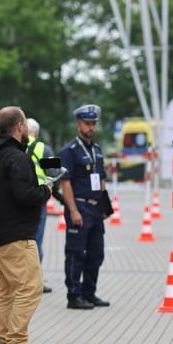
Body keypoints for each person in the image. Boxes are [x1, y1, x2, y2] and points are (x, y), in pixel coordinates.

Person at [0, 106, 53, 344]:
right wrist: (45, 190)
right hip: (17, 235)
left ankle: (1, 341)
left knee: (3, 290)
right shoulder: (17, 158)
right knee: (30, 287)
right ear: (20, 126)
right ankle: (17, 341)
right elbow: (25, 195)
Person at [59, 104, 112, 310]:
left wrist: (105, 207)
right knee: (75, 253)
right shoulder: (69, 151)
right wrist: (73, 211)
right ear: (78, 125)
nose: (91, 127)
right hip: (79, 207)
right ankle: (74, 295)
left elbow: (102, 180)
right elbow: (65, 183)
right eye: (87, 123)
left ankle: (89, 293)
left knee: (96, 253)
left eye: (93, 124)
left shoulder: (97, 150)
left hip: (96, 209)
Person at [26, 117, 55, 293]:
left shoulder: (16, 147)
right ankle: (36, 281)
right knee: (36, 241)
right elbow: (56, 172)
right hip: (38, 200)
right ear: (36, 132)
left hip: (19, 201)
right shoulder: (43, 148)